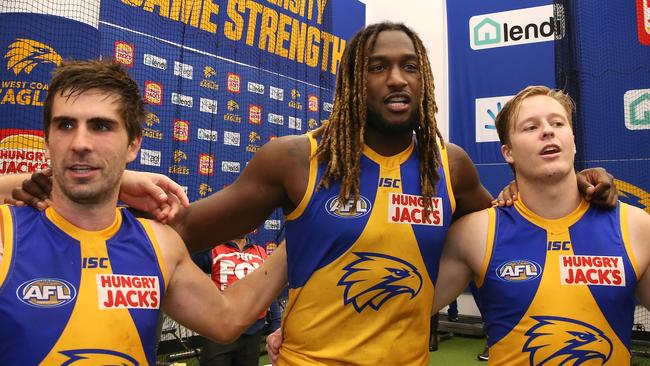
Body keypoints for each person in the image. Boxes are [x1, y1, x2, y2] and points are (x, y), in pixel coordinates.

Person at [8, 24, 616, 365]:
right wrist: (113, 183)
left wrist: (582, 188)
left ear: (425, 78)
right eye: (377, 66)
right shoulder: (295, 160)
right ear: (354, 80)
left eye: (409, 65)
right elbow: (185, 231)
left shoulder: (448, 166)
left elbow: (513, 221)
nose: (396, 78)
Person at [0, 59, 287, 365]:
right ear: (47, 141)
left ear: (133, 145)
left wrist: (300, 239)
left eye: (101, 126)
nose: (80, 142)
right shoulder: (7, 235)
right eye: (65, 125)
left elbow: (227, 319)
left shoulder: (159, 244)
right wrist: (108, 178)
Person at [432, 86, 650, 365]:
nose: (547, 131)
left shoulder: (636, 226)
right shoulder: (475, 234)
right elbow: (403, 310)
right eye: (530, 127)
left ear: (572, 140)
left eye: (558, 123)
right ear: (508, 152)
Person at [191, 234, 281, 366]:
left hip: (252, 332)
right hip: (219, 332)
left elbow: (268, 289)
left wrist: (276, 325)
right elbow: (193, 260)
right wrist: (214, 234)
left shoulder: (260, 252)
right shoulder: (215, 249)